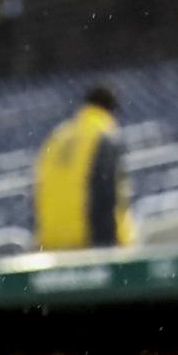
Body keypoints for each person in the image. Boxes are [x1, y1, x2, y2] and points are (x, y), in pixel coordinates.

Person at [30, 84, 131, 252]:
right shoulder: (103, 136)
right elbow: (104, 196)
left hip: (51, 244)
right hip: (86, 243)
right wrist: (109, 251)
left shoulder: (57, 137)